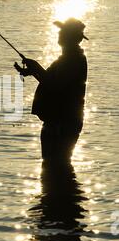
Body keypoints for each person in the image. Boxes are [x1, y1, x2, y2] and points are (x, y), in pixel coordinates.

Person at [14, 18, 88, 165]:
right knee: (52, 166)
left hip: (63, 121)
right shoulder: (66, 59)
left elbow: (55, 85)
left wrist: (36, 67)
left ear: (70, 36)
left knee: (56, 165)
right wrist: (32, 71)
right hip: (57, 119)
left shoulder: (73, 60)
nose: (59, 34)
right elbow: (50, 81)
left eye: (62, 32)